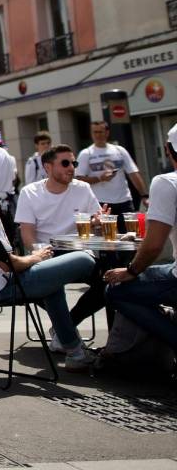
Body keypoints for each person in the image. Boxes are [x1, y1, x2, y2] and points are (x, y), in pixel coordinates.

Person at [0, 143, 98, 371]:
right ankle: (73, 348)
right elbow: (11, 265)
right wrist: (37, 257)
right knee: (84, 260)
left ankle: (73, 348)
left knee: (51, 282)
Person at [17, 144, 113, 334]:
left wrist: (97, 222)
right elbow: (27, 233)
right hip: (47, 253)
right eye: (65, 163)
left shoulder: (83, 188)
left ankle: (66, 326)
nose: (71, 167)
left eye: (74, 163)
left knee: (111, 284)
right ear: (48, 167)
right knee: (34, 285)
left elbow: (96, 221)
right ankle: (67, 334)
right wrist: (38, 253)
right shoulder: (30, 192)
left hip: (80, 253)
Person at [104, 121, 177, 352]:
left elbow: (154, 246)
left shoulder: (167, 182)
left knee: (115, 290)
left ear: (168, 149)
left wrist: (130, 271)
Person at [76, 121, 148, 221]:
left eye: (100, 132)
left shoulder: (119, 150)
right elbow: (79, 179)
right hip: (100, 203)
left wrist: (144, 195)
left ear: (107, 132)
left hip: (124, 200)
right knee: (106, 235)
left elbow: (133, 173)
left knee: (130, 234)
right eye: (95, 132)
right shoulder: (86, 153)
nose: (98, 135)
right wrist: (99, 178)